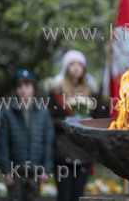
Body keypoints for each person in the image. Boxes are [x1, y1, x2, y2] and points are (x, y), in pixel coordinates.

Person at [48, 50, 97, 201]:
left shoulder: (92, 92)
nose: (76, 67)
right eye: (72, 64)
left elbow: (99, 119)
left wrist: (87, 121)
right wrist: (66, 123)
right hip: (63, 152)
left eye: (79, 64)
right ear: (66, 67)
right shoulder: (56, 92)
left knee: (79, 196)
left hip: (83, 152)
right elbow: (49, 120)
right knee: (64, 196)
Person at [0, 70, 54, 201]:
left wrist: (46, 169)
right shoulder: (8, 113)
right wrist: (6, 170)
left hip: (36, 170)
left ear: (34, 88)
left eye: (27, 86)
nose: (24, 90)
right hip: (15, 171)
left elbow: (48, 142)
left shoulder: (43, 113)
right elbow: (4, 143)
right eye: (19, 86)